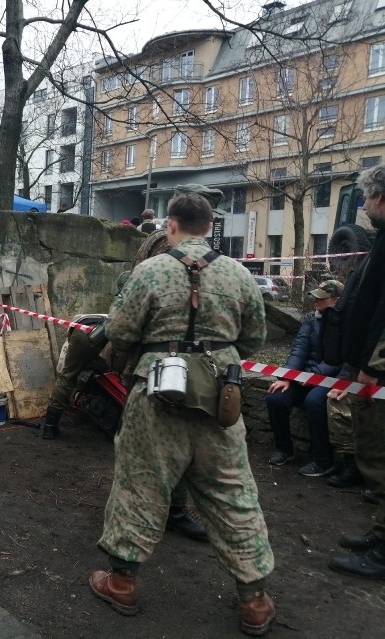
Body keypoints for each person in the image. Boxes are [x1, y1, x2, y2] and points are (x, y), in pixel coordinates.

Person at [90, 193, 275, 636]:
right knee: (232, 489)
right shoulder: (239, 275)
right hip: (220, 398)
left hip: (157, 395)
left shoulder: (149, 271)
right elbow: (254, 341)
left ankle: (121, 582)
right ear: (210, 226)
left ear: (170, 226)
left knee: (140, 483)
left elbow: (118, 330)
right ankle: (254, 600)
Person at [42, 229, 207, 541]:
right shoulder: (134, 292)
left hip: (136, 360)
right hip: (87, 338)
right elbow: (108, 336)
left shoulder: (149, 288)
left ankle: (168, 512)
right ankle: (50, 425)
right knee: (67, 378)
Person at [328, 163, 385, 580]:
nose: (363, 207)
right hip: (369, 369)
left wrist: (373, 366)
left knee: (382, 459)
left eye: (366, 198)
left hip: (377, 374)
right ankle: (381, 535)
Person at [264, 280, 342, 476]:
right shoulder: (310, 319)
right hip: (304, 376)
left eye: (321, 298)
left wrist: (315, 376)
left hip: (331, 379)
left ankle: (323, 460)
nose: (315, 301)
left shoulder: (346, 322)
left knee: (314, 402)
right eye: (315, 296)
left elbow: (340, 359)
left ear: (336, 300)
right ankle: (283, 449)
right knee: (275, 398)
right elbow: (299, 348)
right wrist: (286, 376)